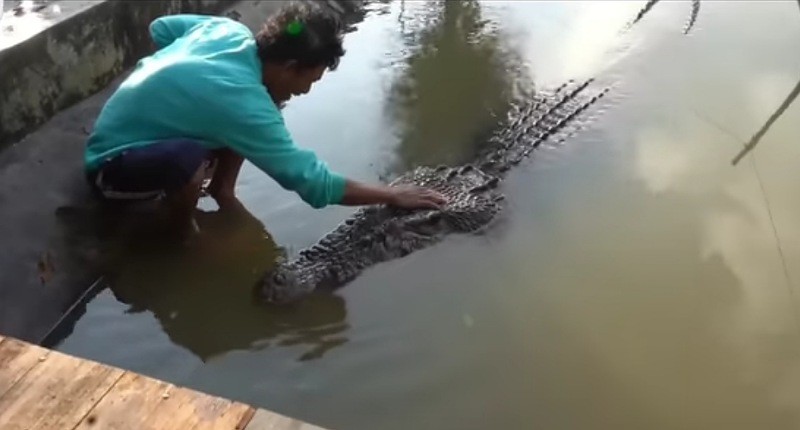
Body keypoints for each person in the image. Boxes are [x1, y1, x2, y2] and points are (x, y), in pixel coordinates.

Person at [83, 3, 446, 237]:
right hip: (112, 161)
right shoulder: (244, 104)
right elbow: (311, 183)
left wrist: (176, 86)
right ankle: (180, 237)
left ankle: (222, 191)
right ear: (289, 67)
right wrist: (392, 194)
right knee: (191, 160)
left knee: (244, 112)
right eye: (309, 79)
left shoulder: (229, 32)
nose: (306, 91)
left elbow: (161, 28)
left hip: (125, 122)